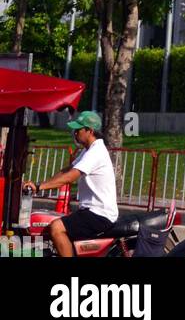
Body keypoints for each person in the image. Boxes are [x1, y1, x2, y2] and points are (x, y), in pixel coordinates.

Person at [23, 110, 118, 257]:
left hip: (99, 214)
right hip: (90, 210)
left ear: (90, 131)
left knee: (56, 228)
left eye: (78, 129)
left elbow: (70, 177)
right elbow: (67, 170)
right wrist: (38, 184)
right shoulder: (88, 150)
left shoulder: (96, 152)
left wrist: (40, 187)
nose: (74, 133)